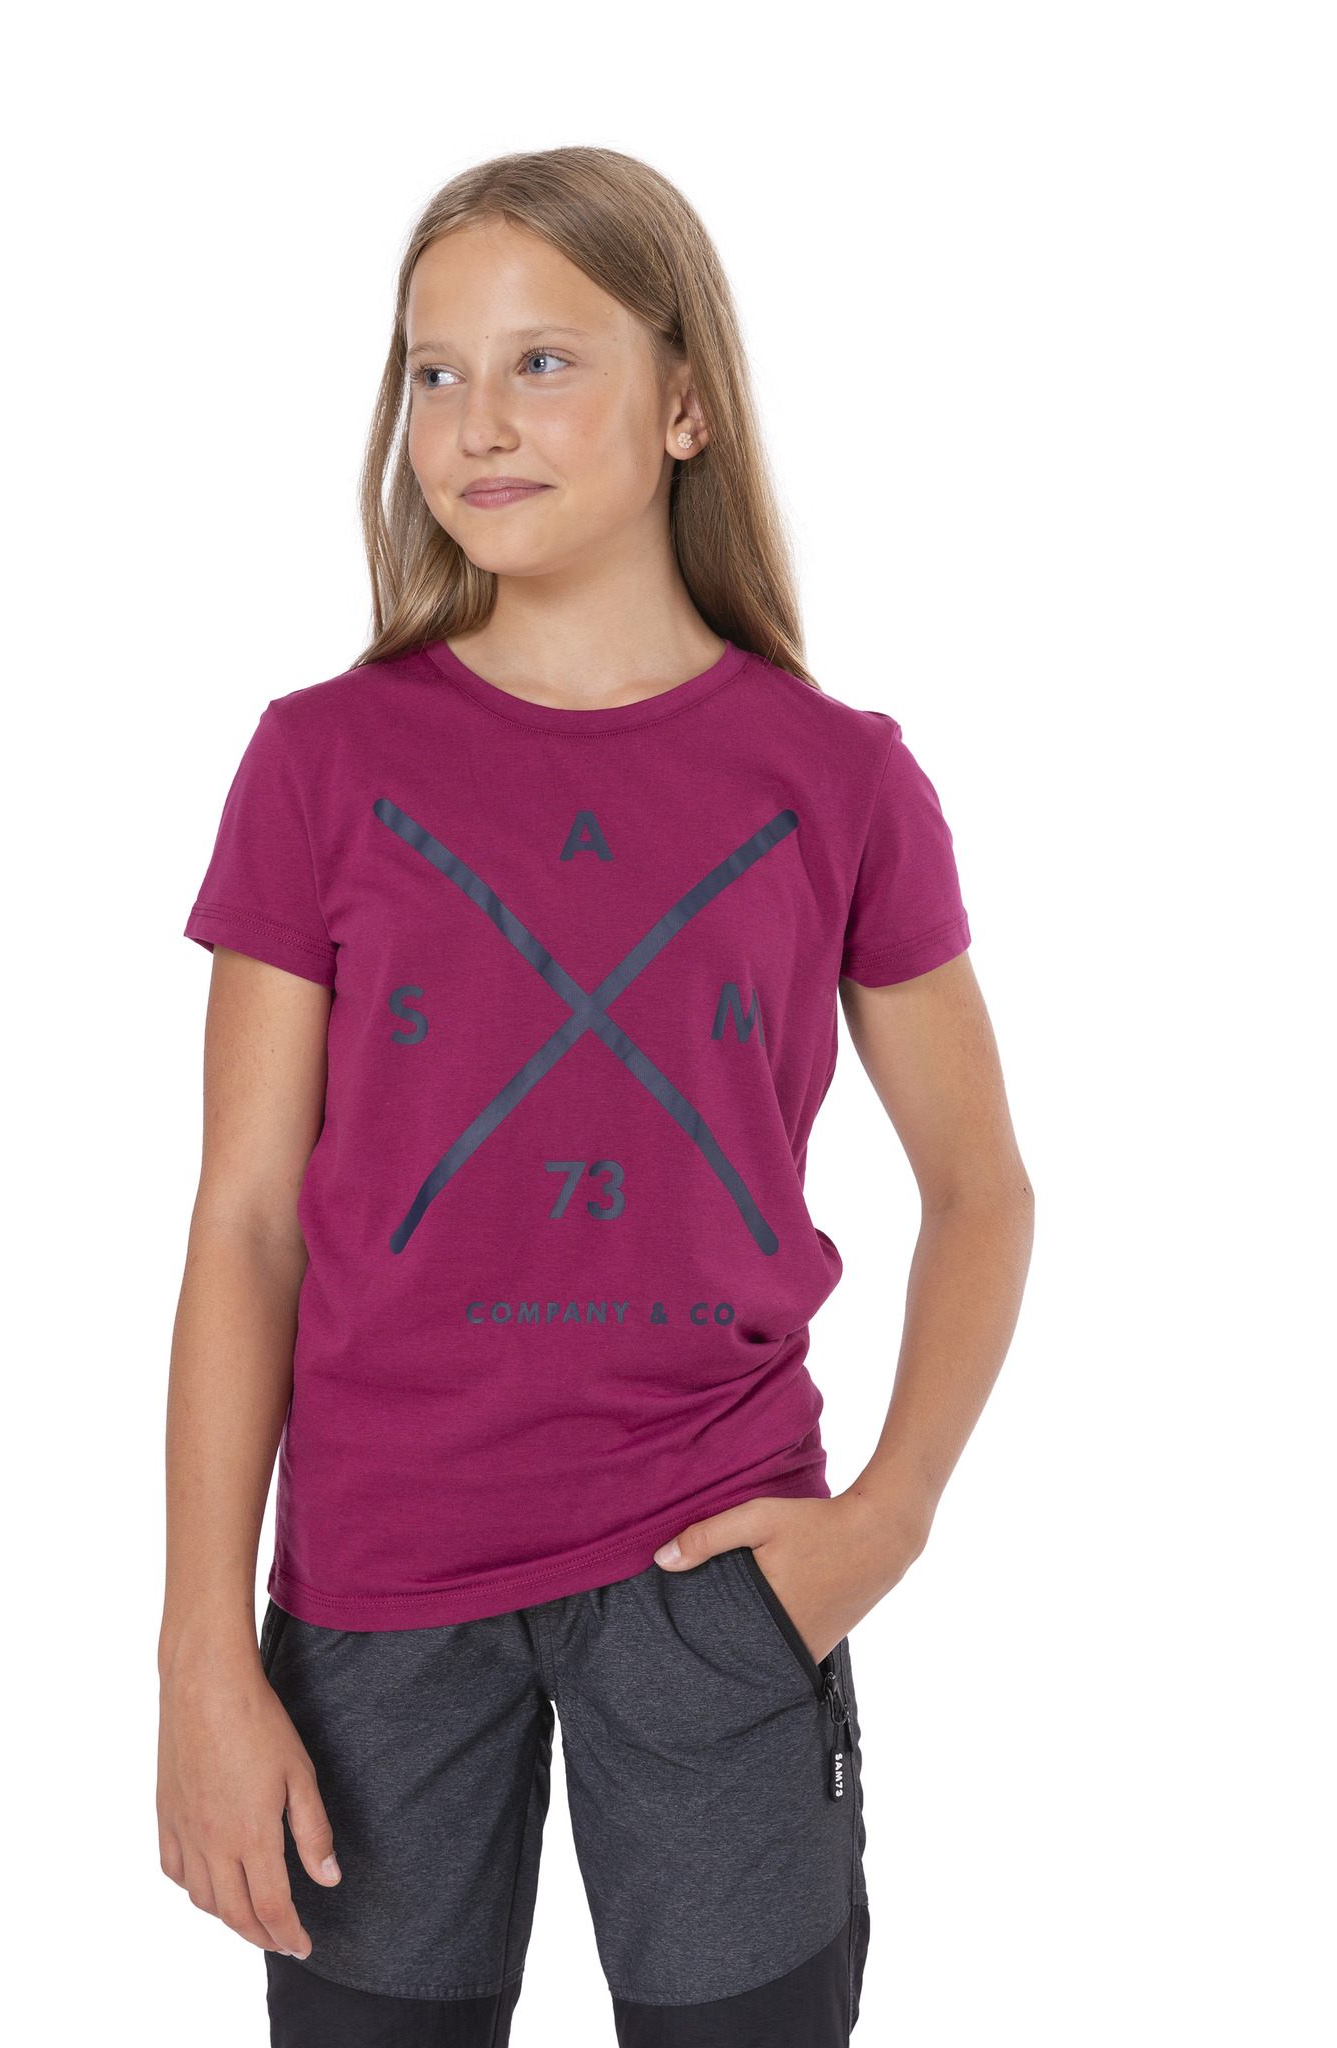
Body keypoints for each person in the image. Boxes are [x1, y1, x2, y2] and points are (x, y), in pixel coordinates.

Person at [156, 146, 1033, 2048]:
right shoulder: (321, 763)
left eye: (545, 362)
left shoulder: (838, 780)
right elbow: (244, 1227)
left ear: (686, 401)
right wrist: (199, 1655)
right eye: (436, 372)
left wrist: (890, 1518)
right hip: (380, 1584)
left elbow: (983, 1188)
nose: (477, 422)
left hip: (718, 1571)